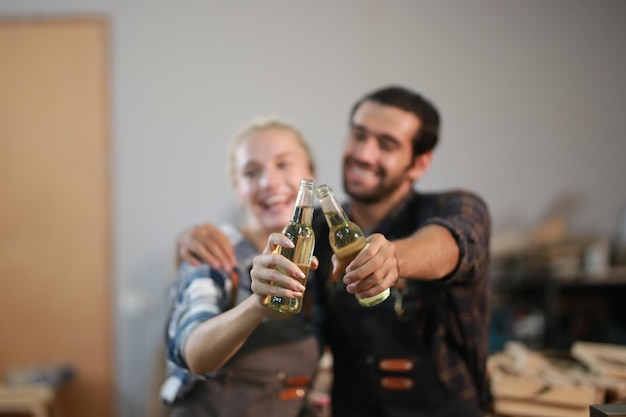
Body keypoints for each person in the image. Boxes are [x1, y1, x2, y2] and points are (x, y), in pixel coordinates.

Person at [176, 86, 491, 417]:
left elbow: (453, 242)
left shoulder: (457, 206)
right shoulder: (318, 231)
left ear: (419, 162)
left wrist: (393, 258)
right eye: (358, 136)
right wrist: (186, 239)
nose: (364, 154)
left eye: (387, 145)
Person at [160, 117, 323, 417]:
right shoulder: (215, 252)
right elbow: (193, 353)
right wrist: (258, 304)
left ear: (310, 173)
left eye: (283, 164)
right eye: (251, 172)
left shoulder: (322, 248)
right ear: (238, 190)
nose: (269, 182)